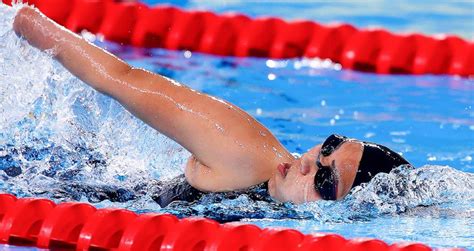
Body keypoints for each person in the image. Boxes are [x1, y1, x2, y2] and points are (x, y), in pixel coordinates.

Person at [11, 6, 411, 206]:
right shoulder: (245, 153)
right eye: (327, 146)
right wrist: (24, 22)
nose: (307, 162)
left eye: (324, 182)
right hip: (61, 186)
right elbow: (127, 82)